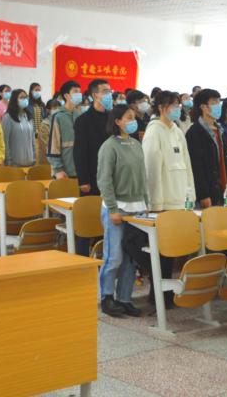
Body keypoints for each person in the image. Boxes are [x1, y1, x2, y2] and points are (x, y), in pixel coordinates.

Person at [96, 104, 146, 319]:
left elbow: (143, 176)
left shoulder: (136, 144)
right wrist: (113, 208)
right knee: (114, 256)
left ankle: (125, 298)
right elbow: (104, 180)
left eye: (134, 117)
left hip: (137, 208)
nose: (133, 121)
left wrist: (146, 203)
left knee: (130, 258)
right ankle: (106, 297)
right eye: (128, 117)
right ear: (118, 122)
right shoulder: (109, 146)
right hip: (116, 208)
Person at [143, 91, 195, 211]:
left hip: (183, 199)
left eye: (178, 105)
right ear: (161, 107)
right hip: (165, 203)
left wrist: (191, 196)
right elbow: (151, 169)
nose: (178, 108)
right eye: (173, 105)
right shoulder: (154, 131)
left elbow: (187, 165)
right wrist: (155, 203)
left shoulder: (178, 131)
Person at [185, 88, 226, 207]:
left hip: (223, 190)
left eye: (219, 102)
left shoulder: (221, 130)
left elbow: (225, 162)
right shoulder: (194, 132)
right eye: (214, 103)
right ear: (203, 107)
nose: (218, 106)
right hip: (208, 192)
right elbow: (196, 166)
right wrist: (203, 194)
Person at [74, 79, 114, 196]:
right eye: (105, 91)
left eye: (110, 91)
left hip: (112, 173)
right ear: (95, 95)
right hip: (92, 174)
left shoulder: (113, 118)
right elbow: (79, 151)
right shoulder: (83, 120)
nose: (109, 95)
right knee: (93, 206)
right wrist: (83, 179)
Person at [48, 80, 82, 179]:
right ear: (66, 96)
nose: (79, 94)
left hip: (80, 169)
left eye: (79, 92)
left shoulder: (80, 115)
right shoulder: (58, 116)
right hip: (64, 171)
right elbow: (53, 144)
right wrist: (58, 169)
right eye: (75, 91)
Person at [1, 89, 36, 167]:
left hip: (30, 163)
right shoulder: (8, 117)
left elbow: (32, 139)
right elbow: (5, 141)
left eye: (26, 97)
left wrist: (34, 157)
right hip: (14, 164)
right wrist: (8, 161)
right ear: (14, 100)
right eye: (21, 97)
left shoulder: (29, 116)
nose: (25, 100)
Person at [28, 82, 47, 159]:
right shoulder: (27, 103)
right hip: (31, 133)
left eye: (39, 90)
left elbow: (44, 117)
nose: (38, 92)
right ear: (31, 91)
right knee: (32, 154)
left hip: (41, 134)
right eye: (36, 90)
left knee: (40, 155)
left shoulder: (42, 104)